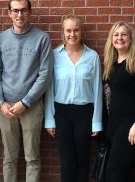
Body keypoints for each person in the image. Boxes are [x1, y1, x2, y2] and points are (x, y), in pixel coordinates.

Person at [0, 0, 53, 182]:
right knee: (9, 158)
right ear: (9, 14)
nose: (20, 14)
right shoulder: (1, 39)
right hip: (6, 107)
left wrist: (26, 102)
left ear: (30, 12)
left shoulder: (42, 38)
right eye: (15, 11)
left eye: (23, 10)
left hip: (31, 106)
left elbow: (45, 75)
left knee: (32, 158)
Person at [44, 14, 103, 182]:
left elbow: (98, 90)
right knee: (67, 162)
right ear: (63, 32)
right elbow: (50, 89)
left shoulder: (92, 57)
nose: (72, 34)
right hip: (61, 113)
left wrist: (96, 121)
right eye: (68, 30)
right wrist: (50, 119)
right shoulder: (54, 56)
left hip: (85, 113)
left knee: (83, 160)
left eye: (76, 30)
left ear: (82, 31)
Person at [103, 21, 135, 181]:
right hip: (116, 124)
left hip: (133, 124)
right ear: (111, 39)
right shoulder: (112, 63)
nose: (120, 38)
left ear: (131, 38)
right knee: (126, 171)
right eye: (116, 35)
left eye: (124, 34)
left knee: (113, 171)